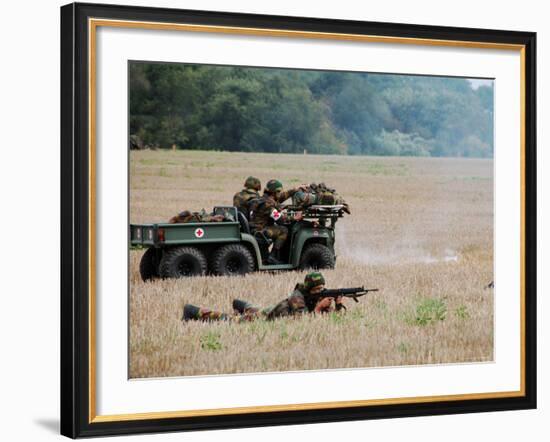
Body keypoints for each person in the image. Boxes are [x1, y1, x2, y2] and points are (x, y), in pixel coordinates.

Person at [182, 272, 344, 322]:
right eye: (317, 289)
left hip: (270, 310)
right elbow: (300, 322)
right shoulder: (298, 297)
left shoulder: (314, 297)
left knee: (253, 308)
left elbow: (330, 320)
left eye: (322, 288)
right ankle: (192, 310)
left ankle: (240, 304)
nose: (321, 291)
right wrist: (318, 307)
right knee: (230, 320)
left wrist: (337, 304)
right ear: (309, 289)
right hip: (265, 317)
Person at [248, 179, 303, 264]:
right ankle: (273, 256)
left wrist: (296, 189)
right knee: (284, 230)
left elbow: (282, 196)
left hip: (255, 228)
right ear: (275, 192)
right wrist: (294, 217)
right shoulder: (268, 203)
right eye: (279, 192)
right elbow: (280, 219)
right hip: (259, 231)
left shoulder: (264, 199)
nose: (281, 194)